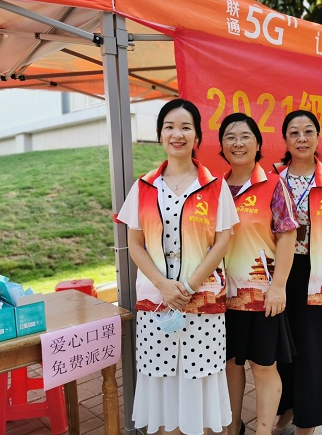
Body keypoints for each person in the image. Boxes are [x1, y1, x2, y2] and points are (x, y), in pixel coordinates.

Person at [117, 98, 239, 435]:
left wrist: (187, 286)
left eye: (186, 127)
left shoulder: (214, 186)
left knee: (201, 382)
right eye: (169, 127)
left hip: (202, 301)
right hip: (156, 302)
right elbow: (135, 243)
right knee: (162, 384)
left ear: (197, 136)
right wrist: (163, 286)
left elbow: (223, 241)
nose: (177, 134)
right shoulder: (144, 186)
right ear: (160, 135)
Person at [218, 113, 298, 435]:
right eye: (230, 137)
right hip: (220, 297)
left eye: (245, 136)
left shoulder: (274, 185)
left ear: (258, 143)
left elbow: (288, 236)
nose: (237, 143)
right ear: (222, 145)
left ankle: (263, 430)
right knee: (230, 365)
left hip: (261, 296)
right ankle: (232, 428)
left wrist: (278, 287)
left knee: (263, 365)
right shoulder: (214, 188)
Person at [272, 110, 322, 435]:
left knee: (313, 348)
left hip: (316, 270)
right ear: (285, 139)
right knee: (282, 346)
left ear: (318, 137)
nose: (301, 138)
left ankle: (307, 422)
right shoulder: (274, 177)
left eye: (308, 132)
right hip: (279, 271)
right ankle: (287, 407)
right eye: (294, 132)